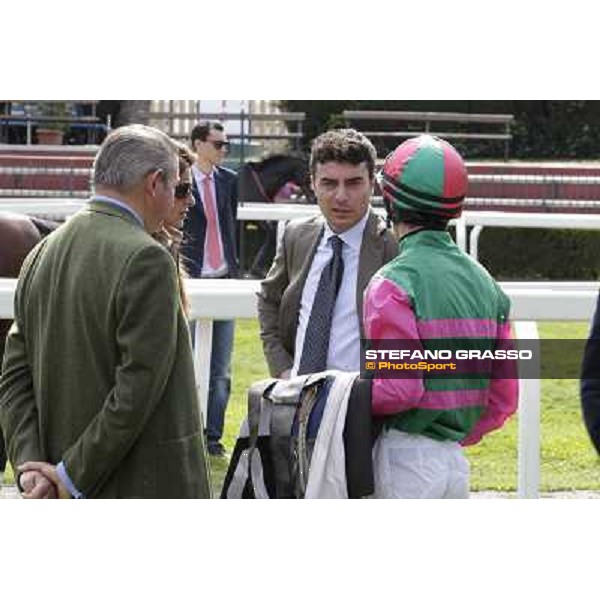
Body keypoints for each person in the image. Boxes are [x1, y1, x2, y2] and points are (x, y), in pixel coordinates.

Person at [0, 124, 211, 499]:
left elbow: (14, 376)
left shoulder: (39, 254)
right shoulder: (147, 258)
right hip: (139, 485)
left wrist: (31, 467)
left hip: (57, 480)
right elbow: (137, 390)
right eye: (176, 186)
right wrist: (69, 476)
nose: (181, 201)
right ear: (154, 183)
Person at [364, 134, 519, 498]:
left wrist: (340, 395)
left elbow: (400, 388)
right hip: (454, 463)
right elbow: (503, 398)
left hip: (403, 458)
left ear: (391, 200)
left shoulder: (391, 283)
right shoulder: (487, 284)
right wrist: (454, 428)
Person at [257, 128, 397, 379]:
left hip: (362, 405)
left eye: (353, 183)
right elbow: (269, 300)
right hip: (297, 399)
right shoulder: (296, 235)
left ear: (372, 184)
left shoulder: (393, 247)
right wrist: (282, 368)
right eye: (329, 183)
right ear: (312, 182)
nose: (341, 196)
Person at [181, 120, 238, 457]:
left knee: (221, 367)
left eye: (225, 144)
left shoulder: (229, 181)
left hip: (225, 278)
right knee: (185, 362)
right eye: (218, 144)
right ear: (198, 144)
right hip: (191, 281)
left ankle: (213, 438)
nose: (223, 150)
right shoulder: (181, 179)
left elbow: (230, 227)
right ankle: (186, 434)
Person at [153, 141, 196, 314]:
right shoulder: (147, 254)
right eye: (182, 190)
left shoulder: (168, 242)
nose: (191, 201)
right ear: (153, 185)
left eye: (192, 190)